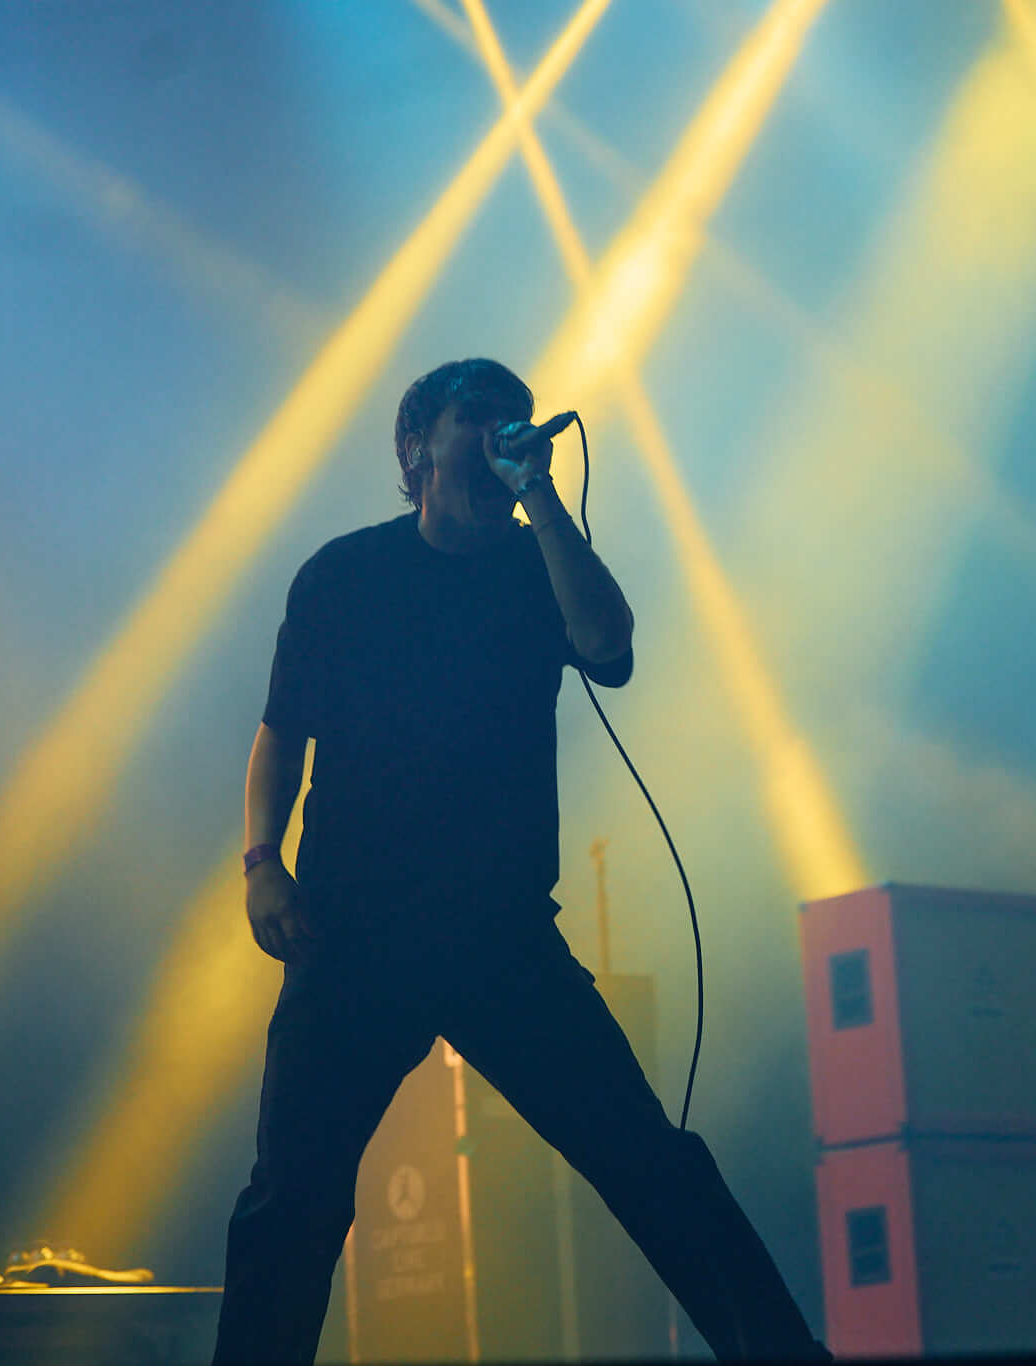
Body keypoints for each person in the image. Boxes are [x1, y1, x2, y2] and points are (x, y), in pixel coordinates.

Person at [214, 359, 829, 1363]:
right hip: (353, 931)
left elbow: (608, 645)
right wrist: (259, 861)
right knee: (292, 1200)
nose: (503, 430)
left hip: (498, 935)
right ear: (416, 446)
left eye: (518, 417)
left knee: (647, 1160)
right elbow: (282, 731)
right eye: (478, 416)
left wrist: (540, 496)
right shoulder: (342, 575)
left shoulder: (535, 562)